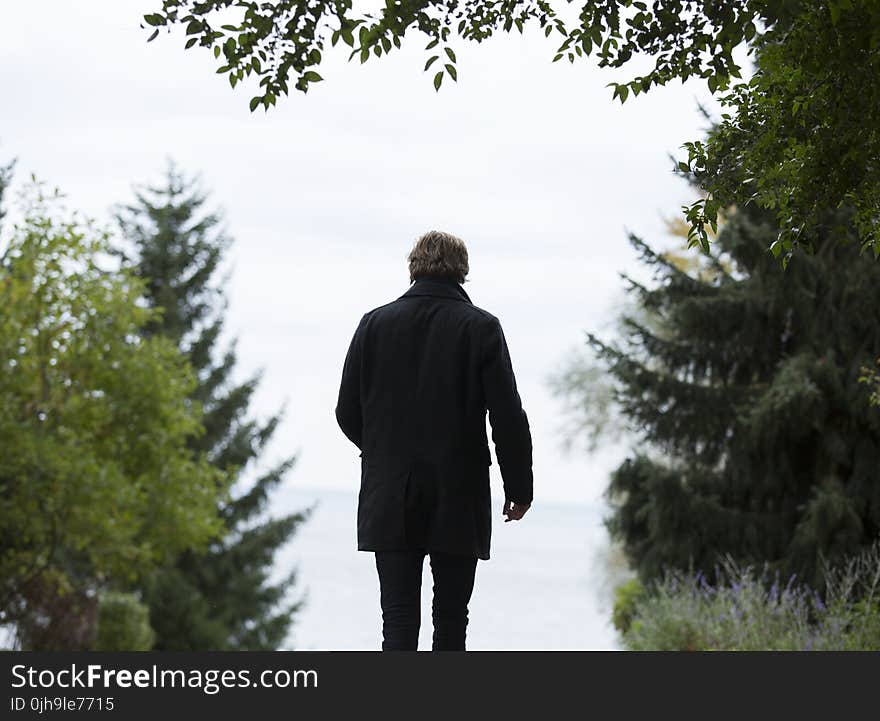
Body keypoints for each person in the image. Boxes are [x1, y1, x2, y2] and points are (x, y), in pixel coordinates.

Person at [335, 230, 534, 651]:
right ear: (462, 271)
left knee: (398, 622)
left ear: (412, 267)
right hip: (458, 494)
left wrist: (382, 453)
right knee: (451, 622)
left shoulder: (374, 325)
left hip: (389, 493)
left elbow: (346, 411)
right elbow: (507, 418)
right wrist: (519, 490)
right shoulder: (481, 328)